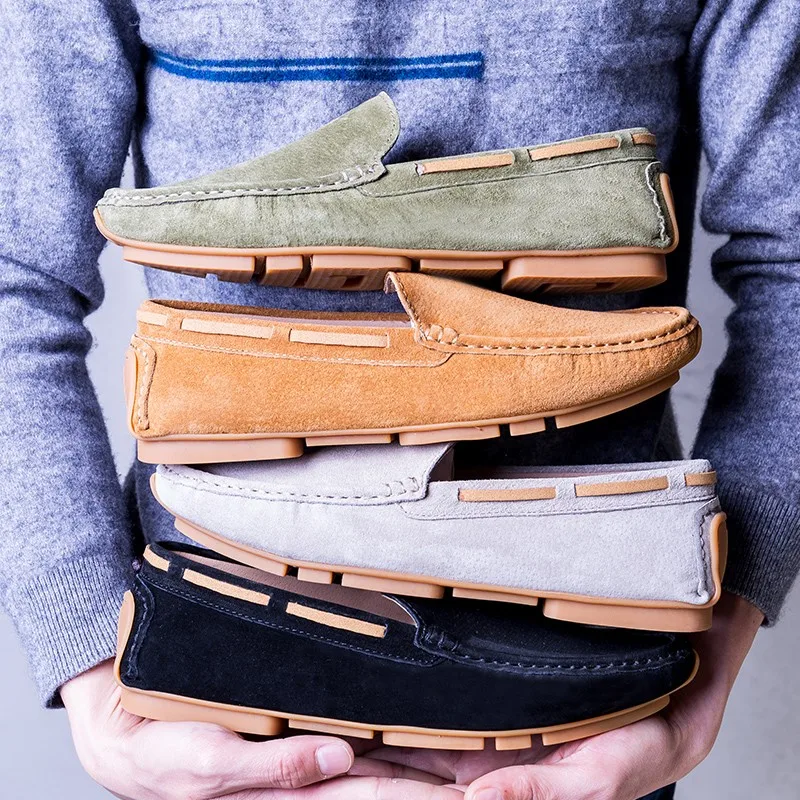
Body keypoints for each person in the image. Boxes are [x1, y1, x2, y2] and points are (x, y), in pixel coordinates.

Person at [0, 1, 797, 798]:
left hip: (593, 689)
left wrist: (705, 659)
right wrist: (98, 678)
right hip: (213, 676)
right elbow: (14, 275)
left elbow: (790, 258)